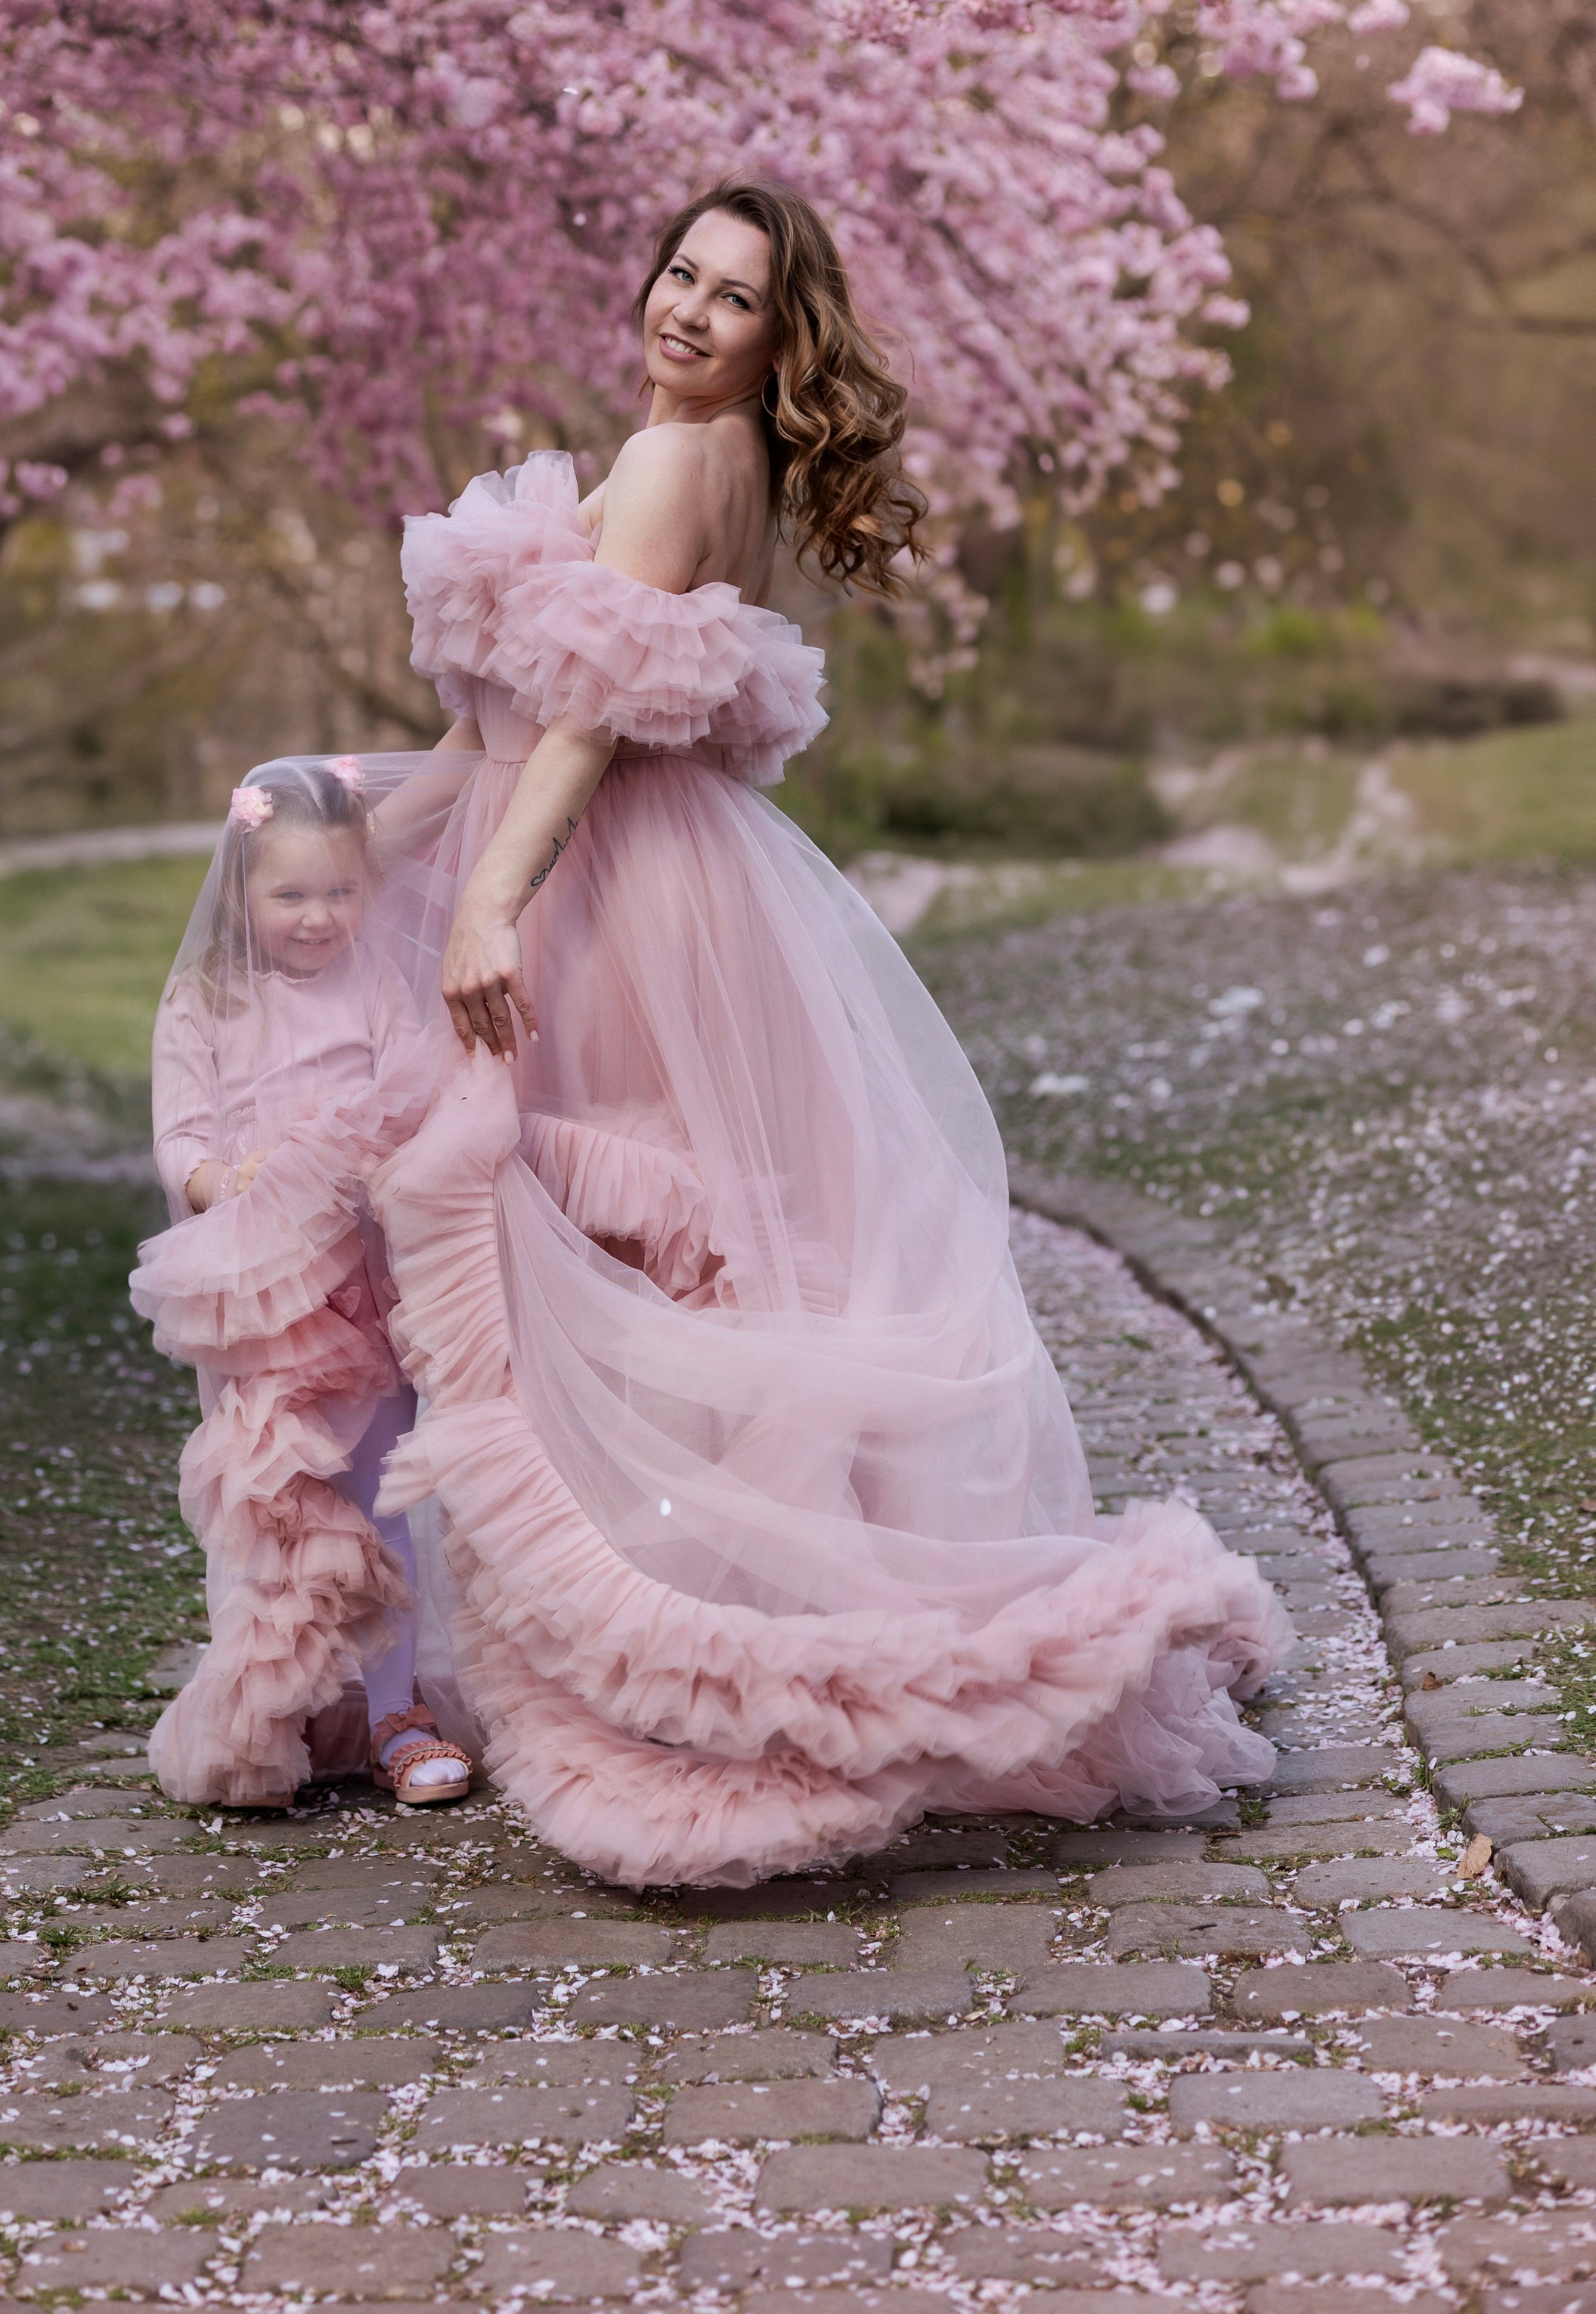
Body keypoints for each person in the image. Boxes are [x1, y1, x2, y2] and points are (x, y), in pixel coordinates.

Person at [357, 178, 1291, 1887]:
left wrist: (487, 896)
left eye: (734, 299)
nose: (689, 311)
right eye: (679, 273)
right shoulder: (703, 458)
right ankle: (678, 1619)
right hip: (652, 883)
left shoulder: (671, 463)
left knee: (643, 1255)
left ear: (779, 338)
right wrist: (367, 833)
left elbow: (582, 722)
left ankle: (723, 1652)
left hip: (613, 895)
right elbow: (509, 725)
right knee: (690, 1262)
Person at [134, 757, 476, 1809]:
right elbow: (179, 1140)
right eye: (290, 894)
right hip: (260, 1290)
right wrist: (224, 1182)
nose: (319, 916)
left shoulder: (375, 984)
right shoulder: (206, 999)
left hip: (362, 1279)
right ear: (240, 889)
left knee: (379, 1500)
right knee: (280, 1507)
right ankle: (275, 1707)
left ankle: (397, 1714)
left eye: (340, 891)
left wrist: (380, 1165)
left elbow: (411, 1094)